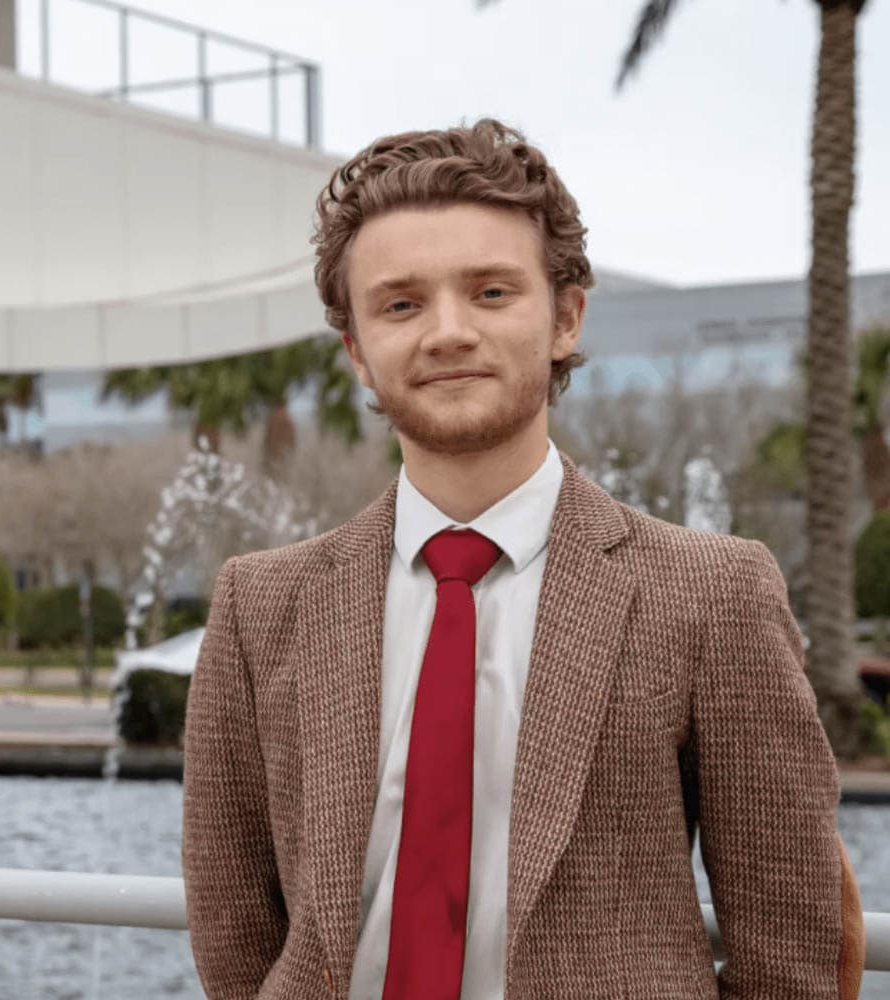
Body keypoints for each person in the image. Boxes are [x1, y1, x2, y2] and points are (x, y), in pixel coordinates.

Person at [181, 118, 864, 999]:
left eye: (492, 292)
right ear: (356, 351)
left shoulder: (714, 593)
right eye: (400, 304)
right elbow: (234, 929)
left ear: (565, 317)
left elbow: (788, 953)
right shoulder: (260, 604)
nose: (448, 332)